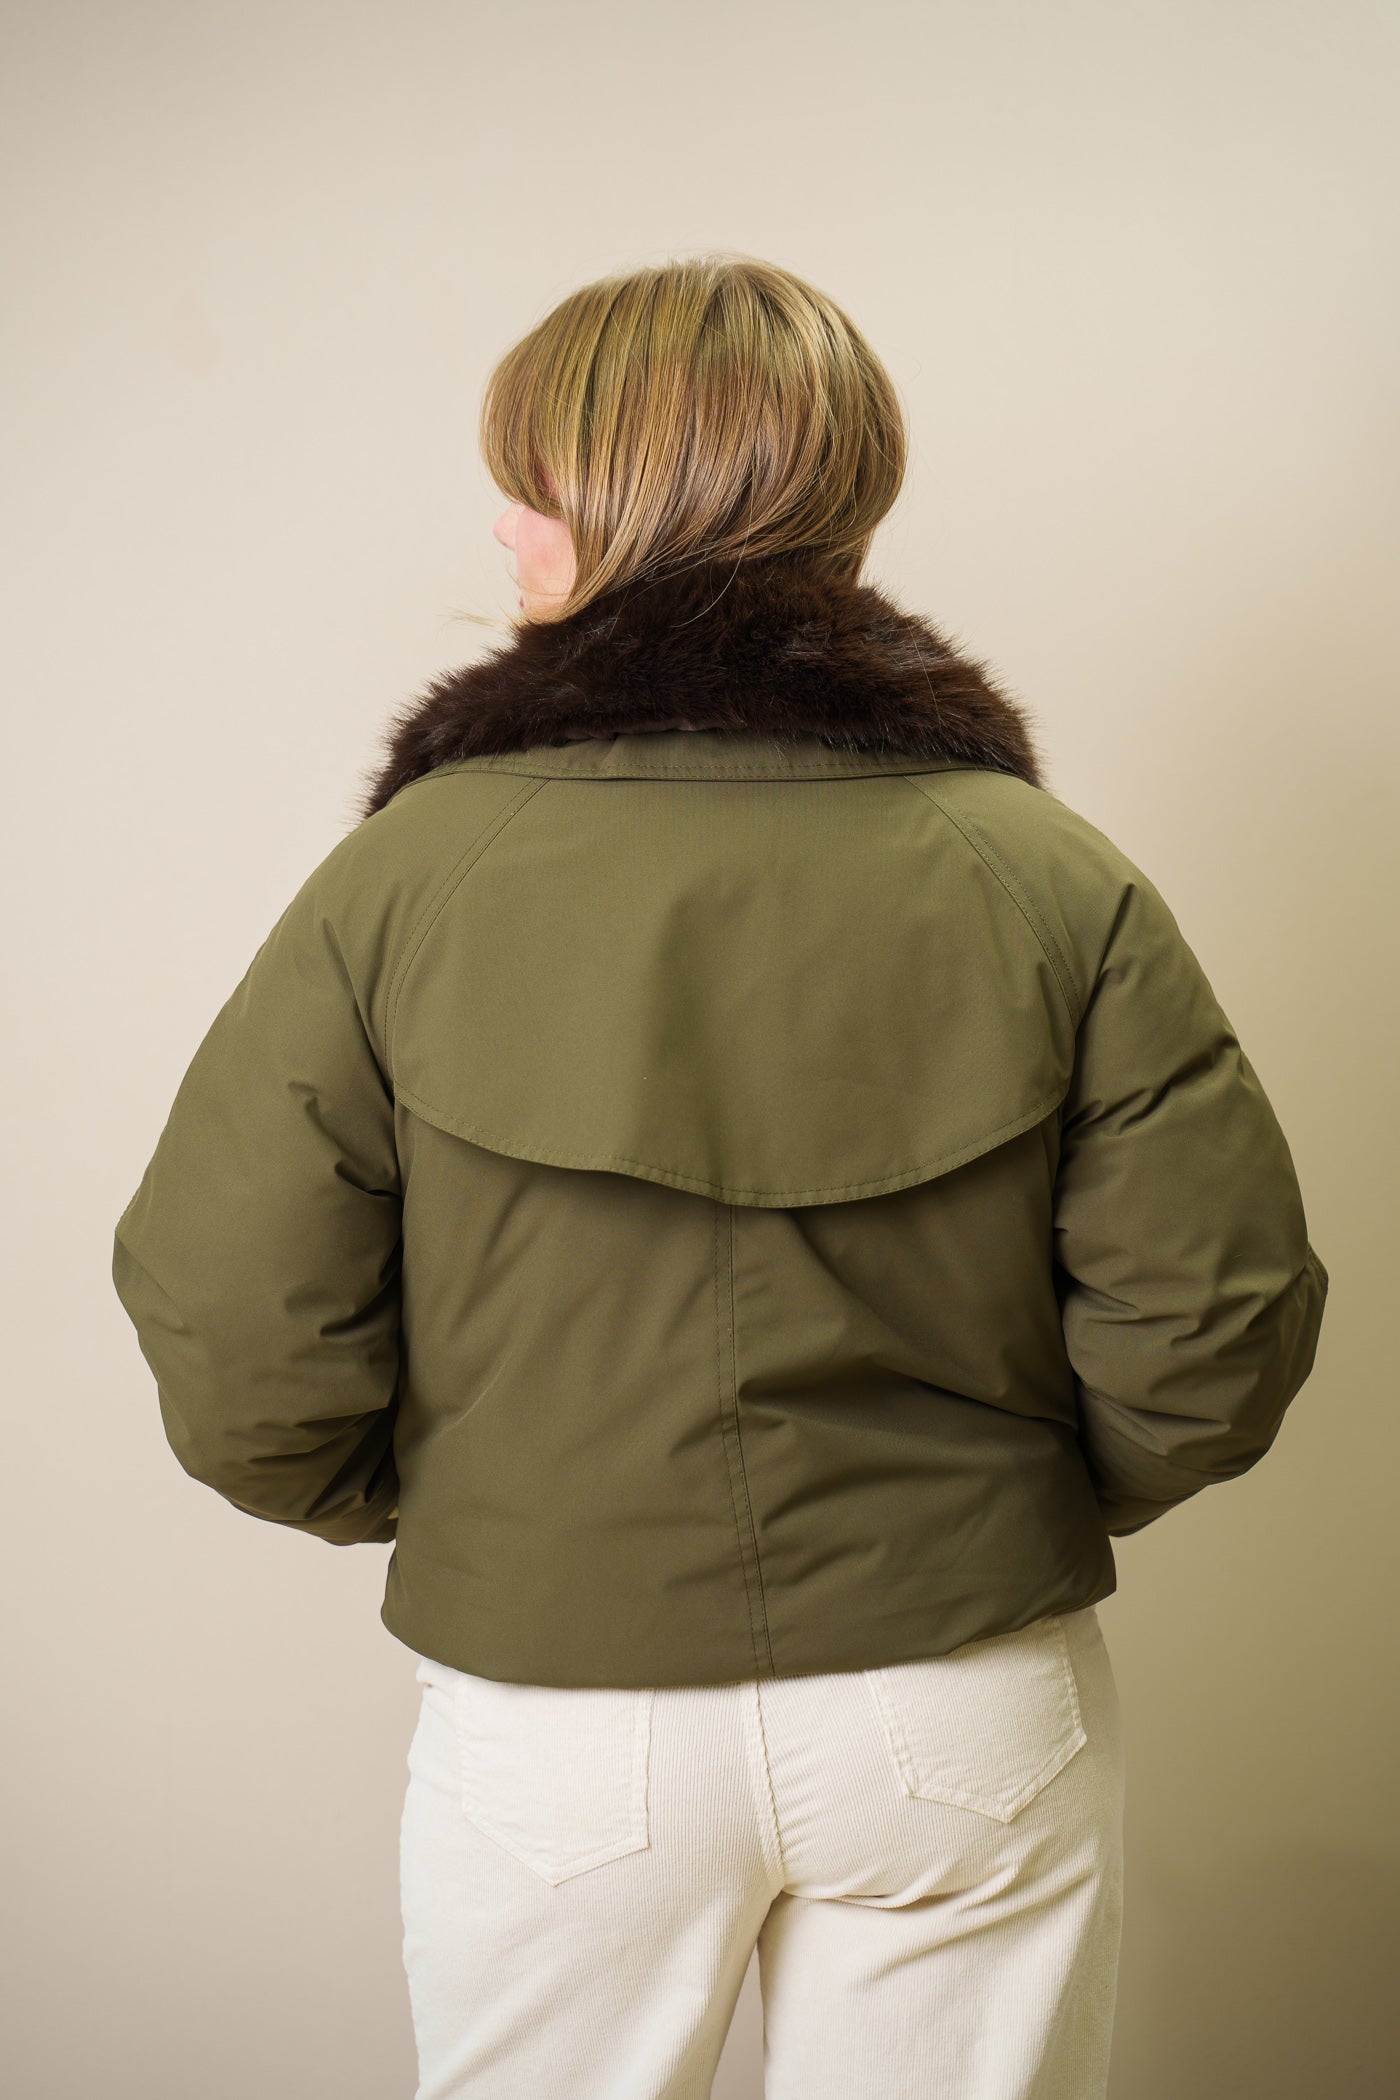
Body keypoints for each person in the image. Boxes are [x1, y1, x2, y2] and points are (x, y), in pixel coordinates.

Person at [111, 251, 1329, 2100]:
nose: (504, 524)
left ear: (625, 500)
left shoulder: (408, 879)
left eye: (532, 480)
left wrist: (485, 1512)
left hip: (561, 1714)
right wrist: (978, 1512)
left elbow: (233, 1330)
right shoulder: (1043, 871)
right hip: (961, 1695)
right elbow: (1217, 1333)